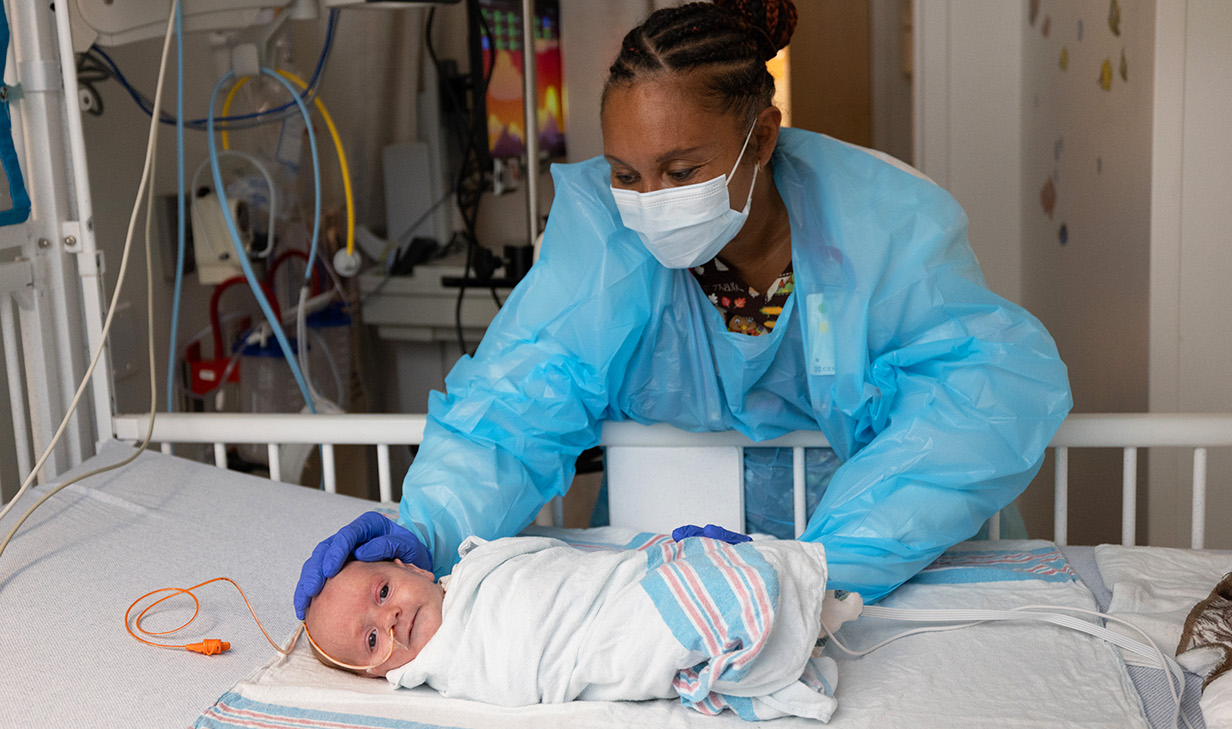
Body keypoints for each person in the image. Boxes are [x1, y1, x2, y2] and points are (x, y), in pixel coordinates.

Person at [295, 0, 1071, 619]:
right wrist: (422, 533)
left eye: (680, 169)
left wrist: (815, 573)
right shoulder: (606, 232)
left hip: (884, 572)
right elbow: (518, 396)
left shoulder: (878, 224)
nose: (649, 201)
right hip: (661, 552)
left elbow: (984, 397)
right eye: (628, 173)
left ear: (761, 137)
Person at [303, 530, 855, 722]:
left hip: (618, 581)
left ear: (412, 566)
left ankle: (786, 602)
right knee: (667, 619)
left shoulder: (472, 568)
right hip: (609, 630)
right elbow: (526, 669)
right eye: (373, 638)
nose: (391, 616)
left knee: (688, 569)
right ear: (379, 675)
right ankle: (766, 621)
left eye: (382, 592)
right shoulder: (449, 662)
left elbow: (565, 565)